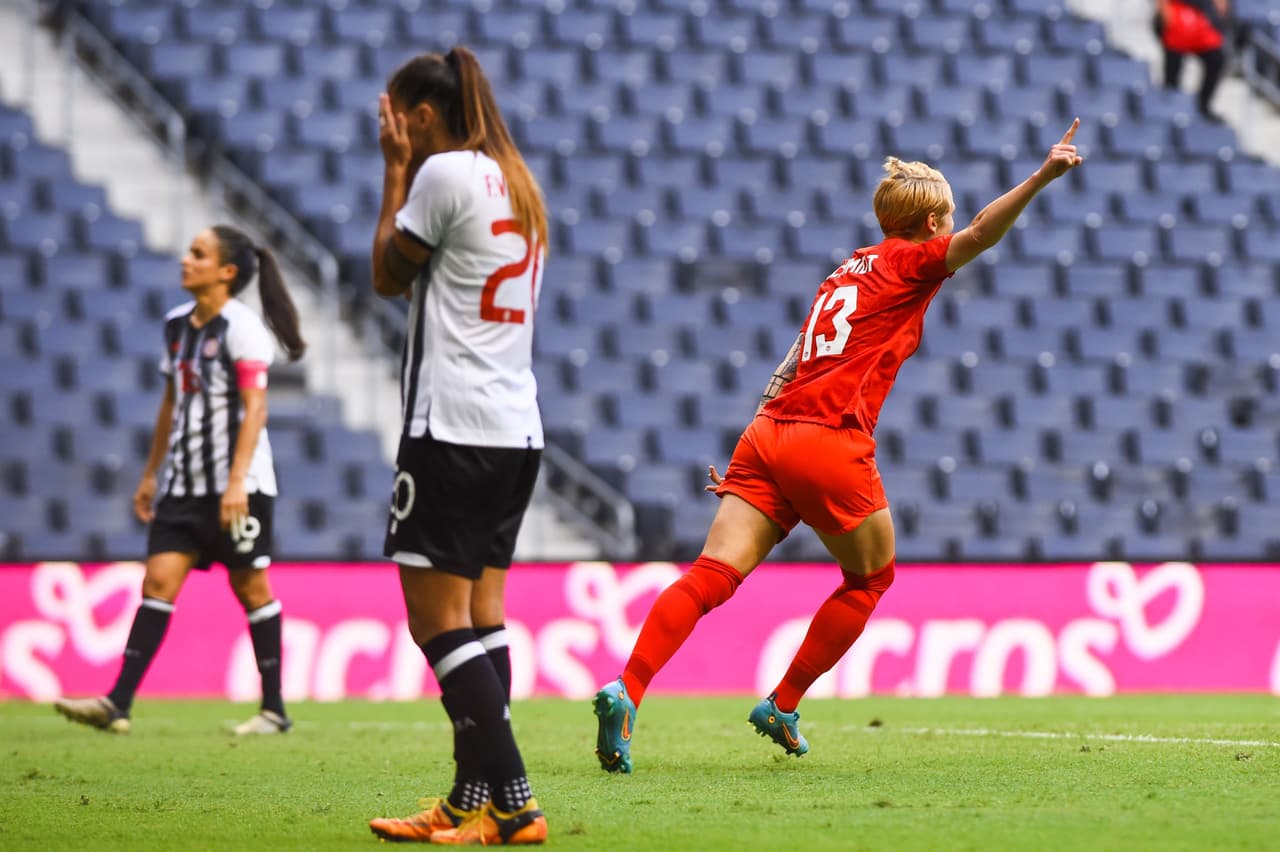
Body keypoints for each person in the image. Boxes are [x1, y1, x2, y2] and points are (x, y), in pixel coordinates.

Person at [593, 122, 1086, 774]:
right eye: (950, 217)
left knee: (711, 574)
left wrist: (757, 442)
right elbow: (983, 236)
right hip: (827, 439)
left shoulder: (842, 272)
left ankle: (626, 690)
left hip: (769, 430)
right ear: (933, 220)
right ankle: (784, 703)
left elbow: (795, 359)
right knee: (872, 575)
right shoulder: (911, 262)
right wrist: (1042, 176)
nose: (955, 224)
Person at [363, 46, 548, 846]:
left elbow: (385, 274)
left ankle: (515, 802)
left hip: (453, 429)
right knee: (483, 614)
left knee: (434, 621)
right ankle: (470, 798)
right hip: (517, 430)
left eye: (395, 118)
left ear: (424, 117)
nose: (389, 128)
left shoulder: (440, 176)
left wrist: (394, 170)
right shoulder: (517, 181)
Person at [54, 224, 307, 736]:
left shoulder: (242, 328)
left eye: (198, 254)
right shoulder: (175, 326)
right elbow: (172, 404)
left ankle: (274, 709)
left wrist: (237, 482)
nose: (185, 261)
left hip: (240, 486)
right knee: (158, 582)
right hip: (184, 486)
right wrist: (151, 474)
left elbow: (256, 410)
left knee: (251, 586)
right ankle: (117, 703)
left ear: (227, 272)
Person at [1154, 0, 1231, 120]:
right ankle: (1171, 108)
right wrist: (1165, 12)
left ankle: (1203, 106)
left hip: (1202, 15)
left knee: (1216, 59)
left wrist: (1219, 9)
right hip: (1177, 11)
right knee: (1173, 68)